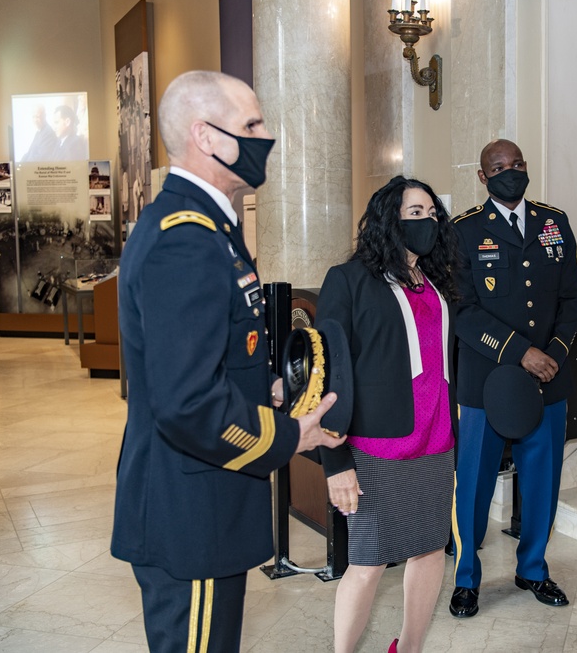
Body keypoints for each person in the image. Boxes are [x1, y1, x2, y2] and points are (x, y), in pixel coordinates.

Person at [112, 70, 344, 652]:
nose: (266, 137)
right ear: (206, 136)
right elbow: (186, 403)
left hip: (204, 497)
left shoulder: (212, 226)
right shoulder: (185, 237)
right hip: (191, 513)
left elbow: (206, 358)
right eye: (252, 126)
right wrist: (289, 436)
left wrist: (258, 387)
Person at [316, 176, 460, 653]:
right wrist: (335, 462)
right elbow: (328, 376)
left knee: (431, 548)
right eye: (414, 212)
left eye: (431, 213)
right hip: (376, 447)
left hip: (435, 440)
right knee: (368, 562)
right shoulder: (349, 279)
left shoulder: (434, 280)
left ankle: (410, 646)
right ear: (387, 218)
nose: (426, 221)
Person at [448, 138, 577, 617]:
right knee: (474, 484)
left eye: (518, 164)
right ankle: (466, 577)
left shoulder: (555, 222)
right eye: (499, 167)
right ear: (483, 177)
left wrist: (553, 353)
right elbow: (462, 310)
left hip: (548, 378)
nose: (512, 172)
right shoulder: (463, 231)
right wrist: (519, 352)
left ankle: (533, 568)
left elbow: (573, 298)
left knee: (542, 480)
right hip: (486, 381)